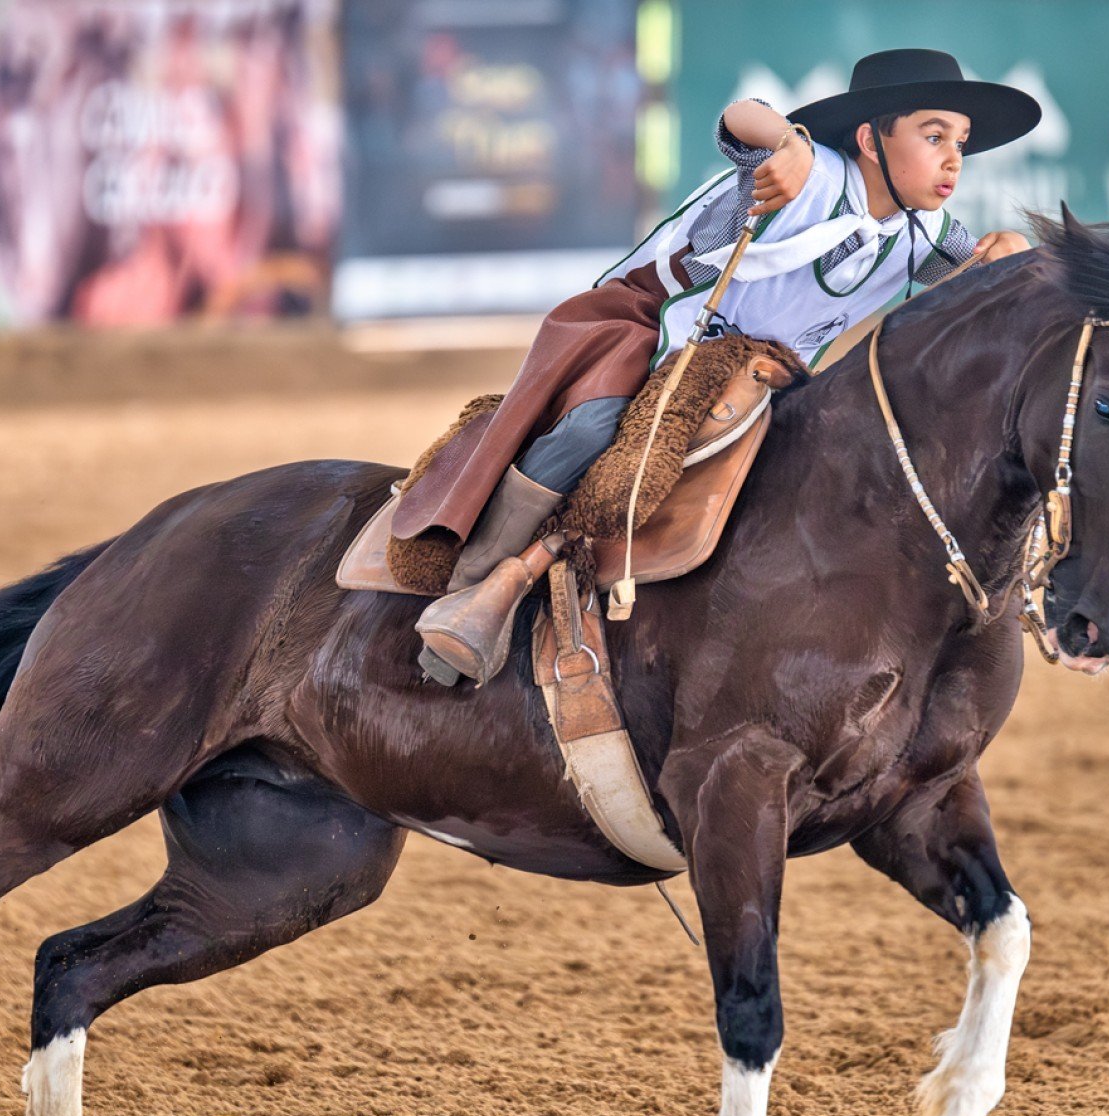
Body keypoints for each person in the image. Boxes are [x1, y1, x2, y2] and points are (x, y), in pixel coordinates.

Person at [409, 49, 1043, 684]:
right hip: (652, 325)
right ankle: (475, 578)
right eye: (934, 136)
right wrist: (788, 141)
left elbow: (981, 270)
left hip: (759, 372)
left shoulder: (925, 232)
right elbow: (743, 116)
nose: (954, 158)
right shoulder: (805, 175)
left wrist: (1009, 251)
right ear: (870, 141)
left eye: (959, 141)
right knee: (592, 428)